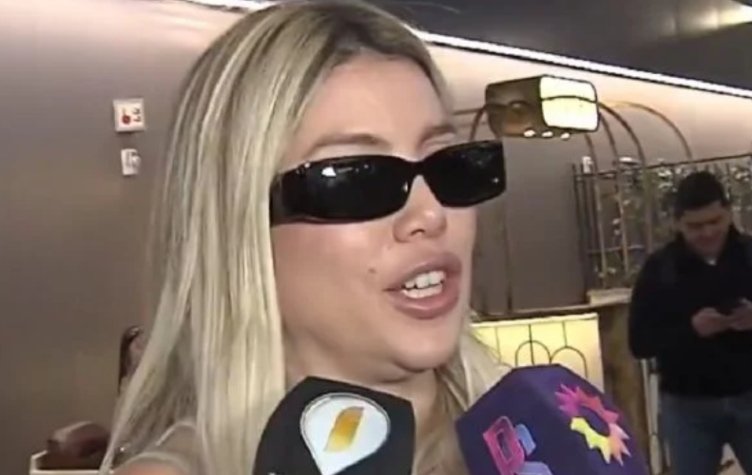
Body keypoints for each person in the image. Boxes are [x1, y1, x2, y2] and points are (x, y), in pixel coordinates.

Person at [101, 2, 506, 475]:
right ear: (240, 226)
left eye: (448, 166)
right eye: (357, 179)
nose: (430, 214)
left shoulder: (551, 439)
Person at [628, 171, 752, 475]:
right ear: (677, 223)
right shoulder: (660, 269)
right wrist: (691, 330)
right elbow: (639, 342)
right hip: (687, 407)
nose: (708, 233)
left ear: (728, 213)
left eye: (714, 221)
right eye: (695, 226)